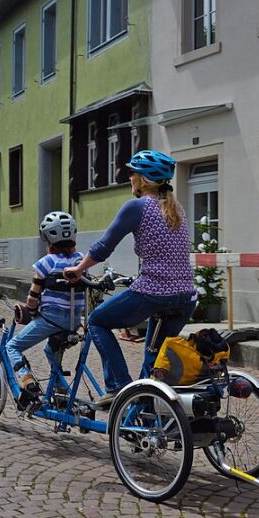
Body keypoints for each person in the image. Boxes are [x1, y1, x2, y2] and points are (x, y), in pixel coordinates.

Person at [64, 150, 196, 403]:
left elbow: (104, 246)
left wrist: (78, 269)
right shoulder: (177, 208)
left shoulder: (137, 206)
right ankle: (142, 418)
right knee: (153, 364)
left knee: (96, 321)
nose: (129, 177)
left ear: (144, 180)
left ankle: (120, 389)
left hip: (154, 292)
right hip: (185, 297)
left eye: (133, 173)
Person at [6, 212, 86, 409]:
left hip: (51, 320)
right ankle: (61, 390)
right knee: (50, 349)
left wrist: (32, 313)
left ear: (48, 238)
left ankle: (27, 382)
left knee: (12, 347)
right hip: (74, 321)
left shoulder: (46, 263)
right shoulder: (80, 260)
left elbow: (33, 298)